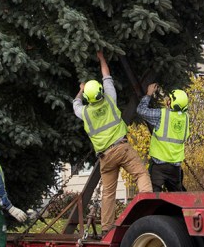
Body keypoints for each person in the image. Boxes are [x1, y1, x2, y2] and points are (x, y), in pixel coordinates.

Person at [73, 50, 153, 233]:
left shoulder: (85, 113)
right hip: (122, 148)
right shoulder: (110, 99)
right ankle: (148, 211)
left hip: (105, 157)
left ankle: (107, 228)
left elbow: (75, 104)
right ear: (100, 92)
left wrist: (81, 89)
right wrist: (101, 58)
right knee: (141, 174)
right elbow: (106, 76)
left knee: (108, 193)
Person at [136, 84, 190, 192]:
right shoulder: (186, 118)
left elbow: (141, 110)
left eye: (169, 99)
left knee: (153, 197)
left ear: (172, 103)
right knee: (177, 198)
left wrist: (149, 94)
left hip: (158, 166)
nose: (167, 100)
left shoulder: (162, 115)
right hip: (175, 168)